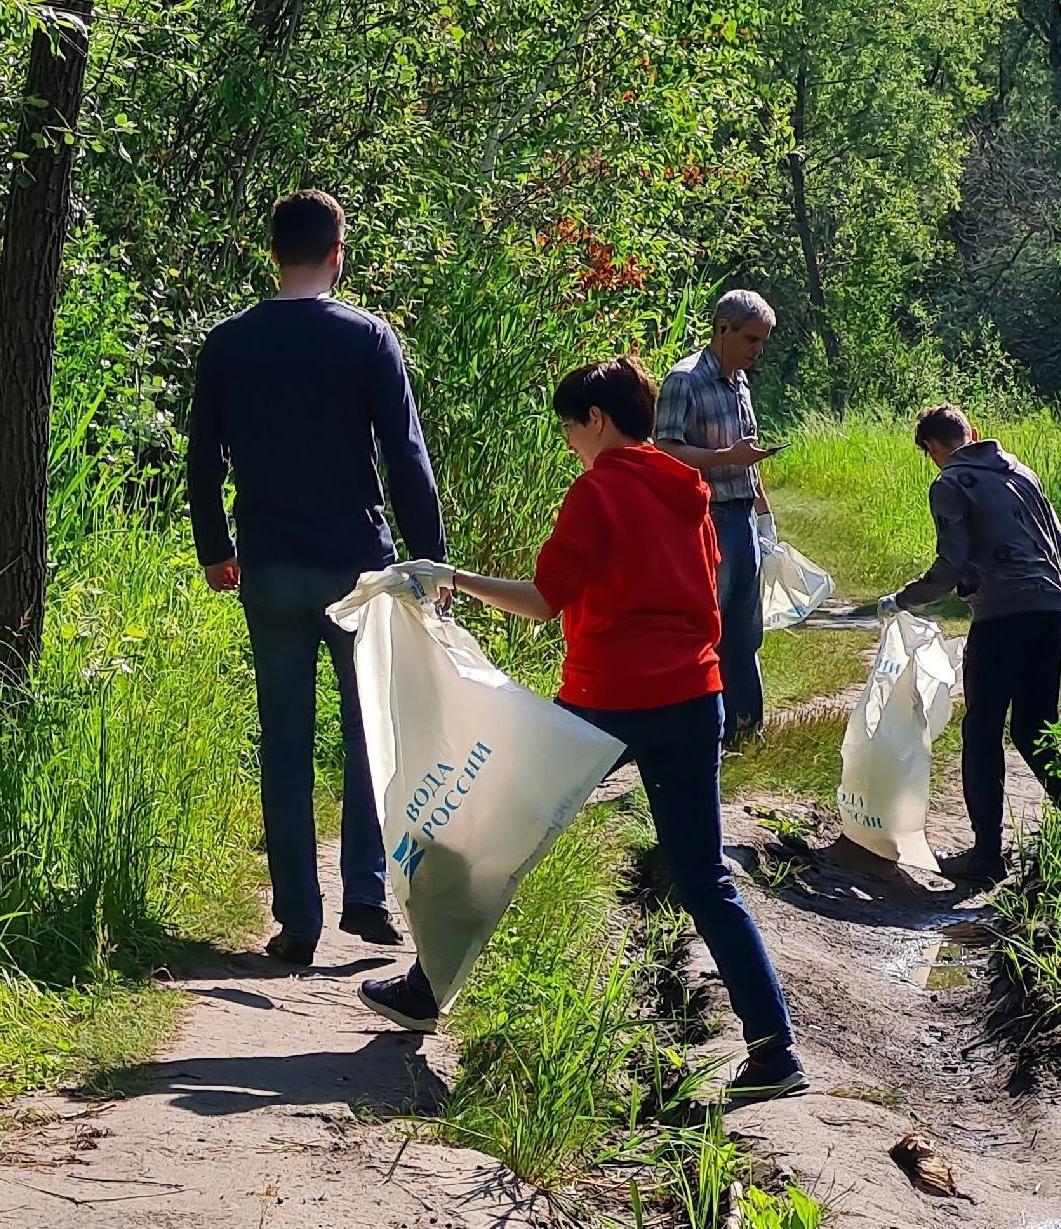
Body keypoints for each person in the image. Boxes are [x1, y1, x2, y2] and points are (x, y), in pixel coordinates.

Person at [372, 357, 805, 1101]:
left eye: (571, 427)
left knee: (489, 837)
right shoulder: (690, 488)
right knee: (706, 880)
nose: (570, 441)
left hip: (607, 701)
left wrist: (451, 578)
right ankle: (774, 1055)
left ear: (595, 420)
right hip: (695, 697)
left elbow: (544, 600)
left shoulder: (596, 490)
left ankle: (422, 990)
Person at [186, 189, 449, 965]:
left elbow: (204, 458)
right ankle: (365, 896)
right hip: (357, 569)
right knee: (369, 731)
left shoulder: (229, 342)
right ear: (339, 254)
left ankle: (297, 919)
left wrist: (215, 547)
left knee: (285, 741)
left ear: (273, 254)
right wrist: (426, 561)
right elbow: (405, 458)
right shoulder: (368, 339)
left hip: (267, 563)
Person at [878, 404, 1061, 883]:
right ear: (975, 433)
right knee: (1035, 730)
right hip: (1051, 607)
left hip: (1002, 614)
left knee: (983, 729)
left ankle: (987, 855)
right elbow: (1059, 546)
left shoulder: (949, 483)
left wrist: (903, 600)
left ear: (932, 450)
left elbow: (949, 565)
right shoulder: (1022, 473)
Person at [653, 290, 786, 747]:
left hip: (743, 516)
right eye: (751, 339)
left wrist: (765, 517)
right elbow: (664, 450)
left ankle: (748, 729)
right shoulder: (684, 380)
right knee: (710, 626)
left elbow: (748, 456)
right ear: (722, 329)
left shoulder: (739, 382)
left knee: (746, 629)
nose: (757, 351)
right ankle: (705, 729)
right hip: (704, 519)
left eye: (762, 342)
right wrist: (723, 457)